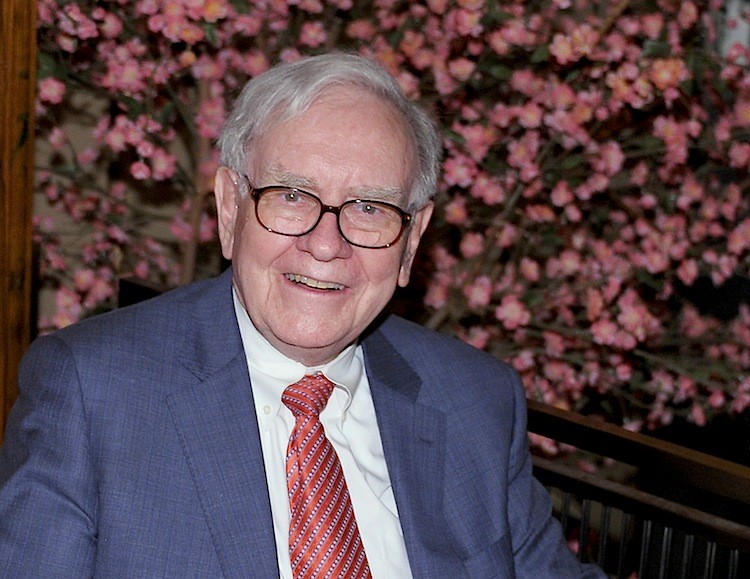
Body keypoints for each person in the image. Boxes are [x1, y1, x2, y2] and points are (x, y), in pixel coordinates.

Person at [0, 52, 604, 578]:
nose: (325, 243)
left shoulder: (475, 401)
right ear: (231, 208)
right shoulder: (92, 391)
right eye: (292, 197)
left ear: (412, 241)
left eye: (369, 207)